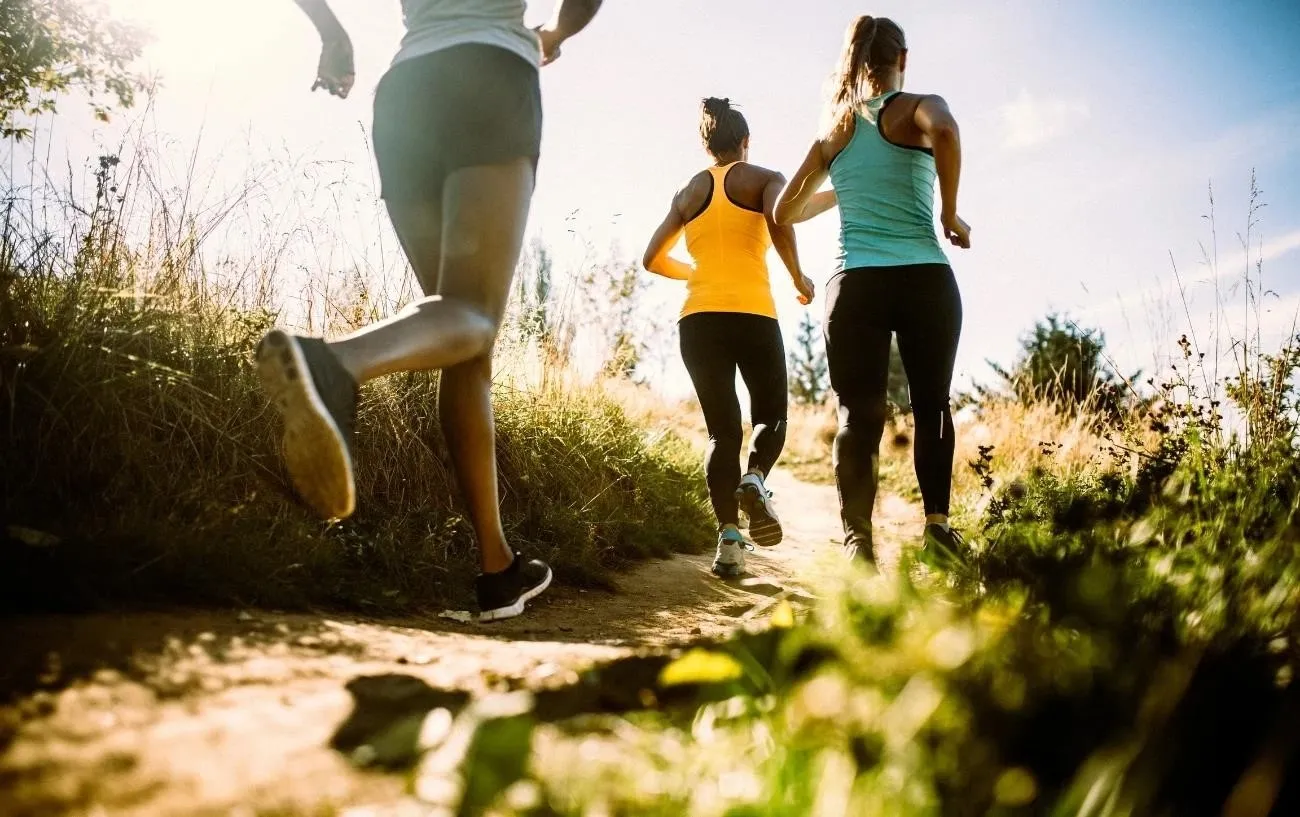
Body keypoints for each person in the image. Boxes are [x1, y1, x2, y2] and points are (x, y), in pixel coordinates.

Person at [259, 0, 602, 621]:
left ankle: (497, 569)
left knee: (461, 334)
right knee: (473, 313)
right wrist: (557, 33)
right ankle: (332, 363)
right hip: (490, 74)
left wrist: (334, 35)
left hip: (407, 93)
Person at [774, 15, 971, 567]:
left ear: (857, 64)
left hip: (853, 283)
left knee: (857, 416)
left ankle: (858, 541)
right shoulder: (919, 107)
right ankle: (937, 529)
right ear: (901, 59)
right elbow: (948, 134)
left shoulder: (835, 131)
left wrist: (843, 189)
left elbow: (783, 210)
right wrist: (949, 213)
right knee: (931, 405)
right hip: (923, 277)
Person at [643, 97, 817, 578]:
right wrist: (799, 278)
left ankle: (729, 543)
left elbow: (651, 259)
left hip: (697, 319)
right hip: (753, 313)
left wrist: (697, 273)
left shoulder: (687, 191)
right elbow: (780, 223)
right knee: (771, 416)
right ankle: (756, 479)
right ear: (744, 142)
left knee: (723, 432)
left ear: (707, 146)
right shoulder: (764, 178)